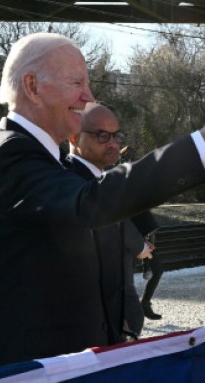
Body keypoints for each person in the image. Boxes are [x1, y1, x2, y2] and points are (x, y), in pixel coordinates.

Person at [0, 33, 205, 375]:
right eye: (77, 82)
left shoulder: (39, 159)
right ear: (33, 86)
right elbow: (92, 204)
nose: (89, 95)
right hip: (24, 371)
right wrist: (202, 145)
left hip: (63, 367)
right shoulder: (10, 155)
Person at [67, 103, 151, 342]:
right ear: (74, 137)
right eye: (102, 135)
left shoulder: (101, 179)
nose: (113, 143)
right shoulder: (69, 183)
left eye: (116, 135)